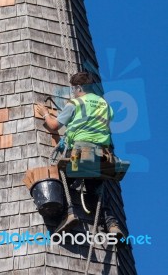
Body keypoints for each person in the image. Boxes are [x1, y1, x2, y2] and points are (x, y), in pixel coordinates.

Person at [36, 71, 124, 240]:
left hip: (79, 152)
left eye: (73, 89)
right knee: (96, 189)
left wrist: (45, 113)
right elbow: (105, 119)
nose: (72, 92)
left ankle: (69, 213)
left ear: (78, 87)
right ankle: (112, 224)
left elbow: (54, 125)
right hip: (101, 155)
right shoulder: (104, 104)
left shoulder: (75, 103)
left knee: (61, 179)